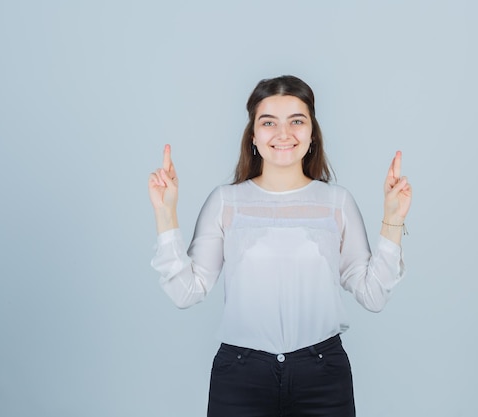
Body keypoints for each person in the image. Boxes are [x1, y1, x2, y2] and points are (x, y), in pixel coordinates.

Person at [148, 75, 412, 417]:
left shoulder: (336, 203)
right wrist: (166, 213)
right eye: (268, 122)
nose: (283, 133)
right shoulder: (227, 202)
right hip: (241, 377)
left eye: (297, 121)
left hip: (323, 376)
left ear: (312, 133)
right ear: (254, 136)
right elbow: (187, 291)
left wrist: (391, 219)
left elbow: (373, 295)